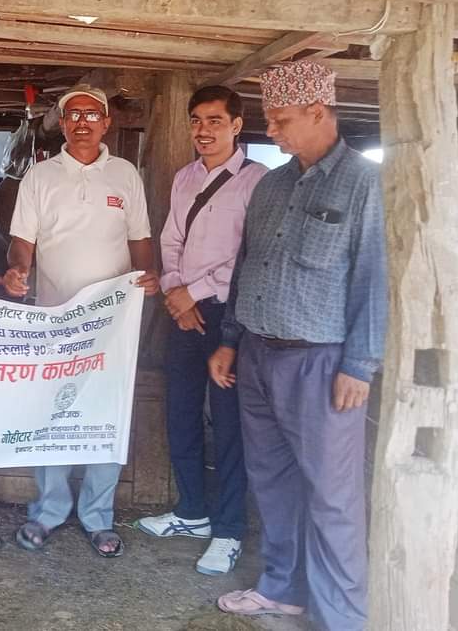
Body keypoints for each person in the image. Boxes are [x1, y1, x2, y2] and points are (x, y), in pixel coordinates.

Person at [210, 61, 386, 631]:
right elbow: (246, 267)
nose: (273, 131)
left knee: (333, 496)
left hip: (322, 363)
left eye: (281, 120)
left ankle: (342, 618)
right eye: (269, 119)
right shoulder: (272, 184)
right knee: (272, 481)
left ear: (317, 112)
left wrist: (359, 363)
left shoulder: (364, 182)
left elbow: (375, 277)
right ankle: (282, 589)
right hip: (258, 353)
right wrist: (230, 340)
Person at [2, 83, 158, 558]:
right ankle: (48, 511)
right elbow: (22, 242)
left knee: (106, 414)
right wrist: (18, 269)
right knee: (54, 412)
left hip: (112, 323)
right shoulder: (40, 176)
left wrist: (147, 282)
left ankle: (98, 517)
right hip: (57, 319)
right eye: (74, 115)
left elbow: (140, 242)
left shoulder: (125, 175)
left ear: (107, 123)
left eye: (92, 114)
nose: (83, 122)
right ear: (63, 124)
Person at [135, 86, 267, 575]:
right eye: (196, 120)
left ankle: (229, 529)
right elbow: (171, 238)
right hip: (183, 311)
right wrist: (175, 291)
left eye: (214, 121)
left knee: (229, 425)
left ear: (236, 125)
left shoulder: (258, 180)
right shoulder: (185, 177)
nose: (203, 130)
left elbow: (252, 254)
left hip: (230, 317)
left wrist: (196, 291)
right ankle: (191, 511)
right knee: (182, 413)